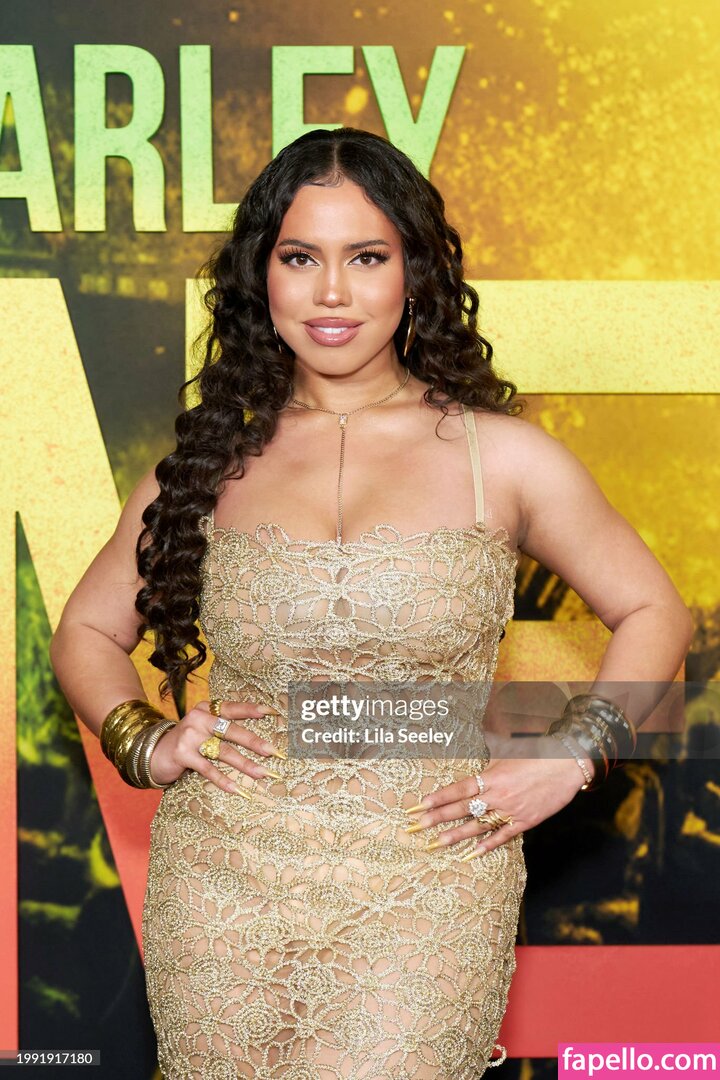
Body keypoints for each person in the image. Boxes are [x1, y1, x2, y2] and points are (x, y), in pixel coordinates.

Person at [49, 126, 694, 1079]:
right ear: (261, 276)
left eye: (366, 257)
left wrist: (571, 756)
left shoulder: (502, 457)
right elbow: (86, 630)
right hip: (223, 886)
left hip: (431, 881)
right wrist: (145, 740)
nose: (332, 293)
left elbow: (656, 613)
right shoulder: (203, 467)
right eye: (300, 258)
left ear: (414, 273)